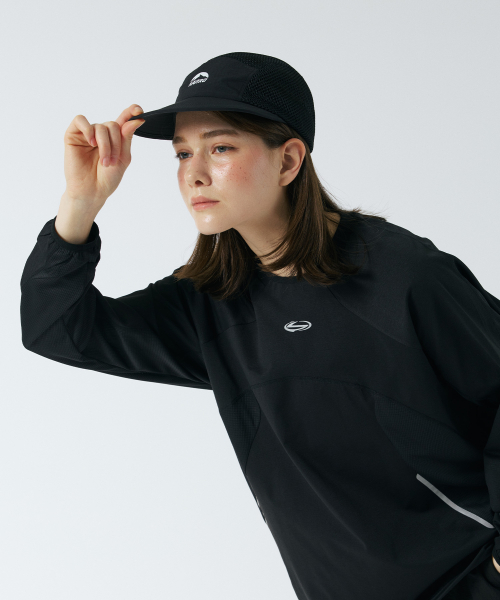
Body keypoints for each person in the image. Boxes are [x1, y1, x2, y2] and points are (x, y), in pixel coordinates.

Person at [20, 52, 500, 600]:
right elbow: (56, 329)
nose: (193, 173)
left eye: (220, 148)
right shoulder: (210, 303)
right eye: (182, 153)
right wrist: (80, 203)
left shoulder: (406, 277)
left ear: (289, 160)